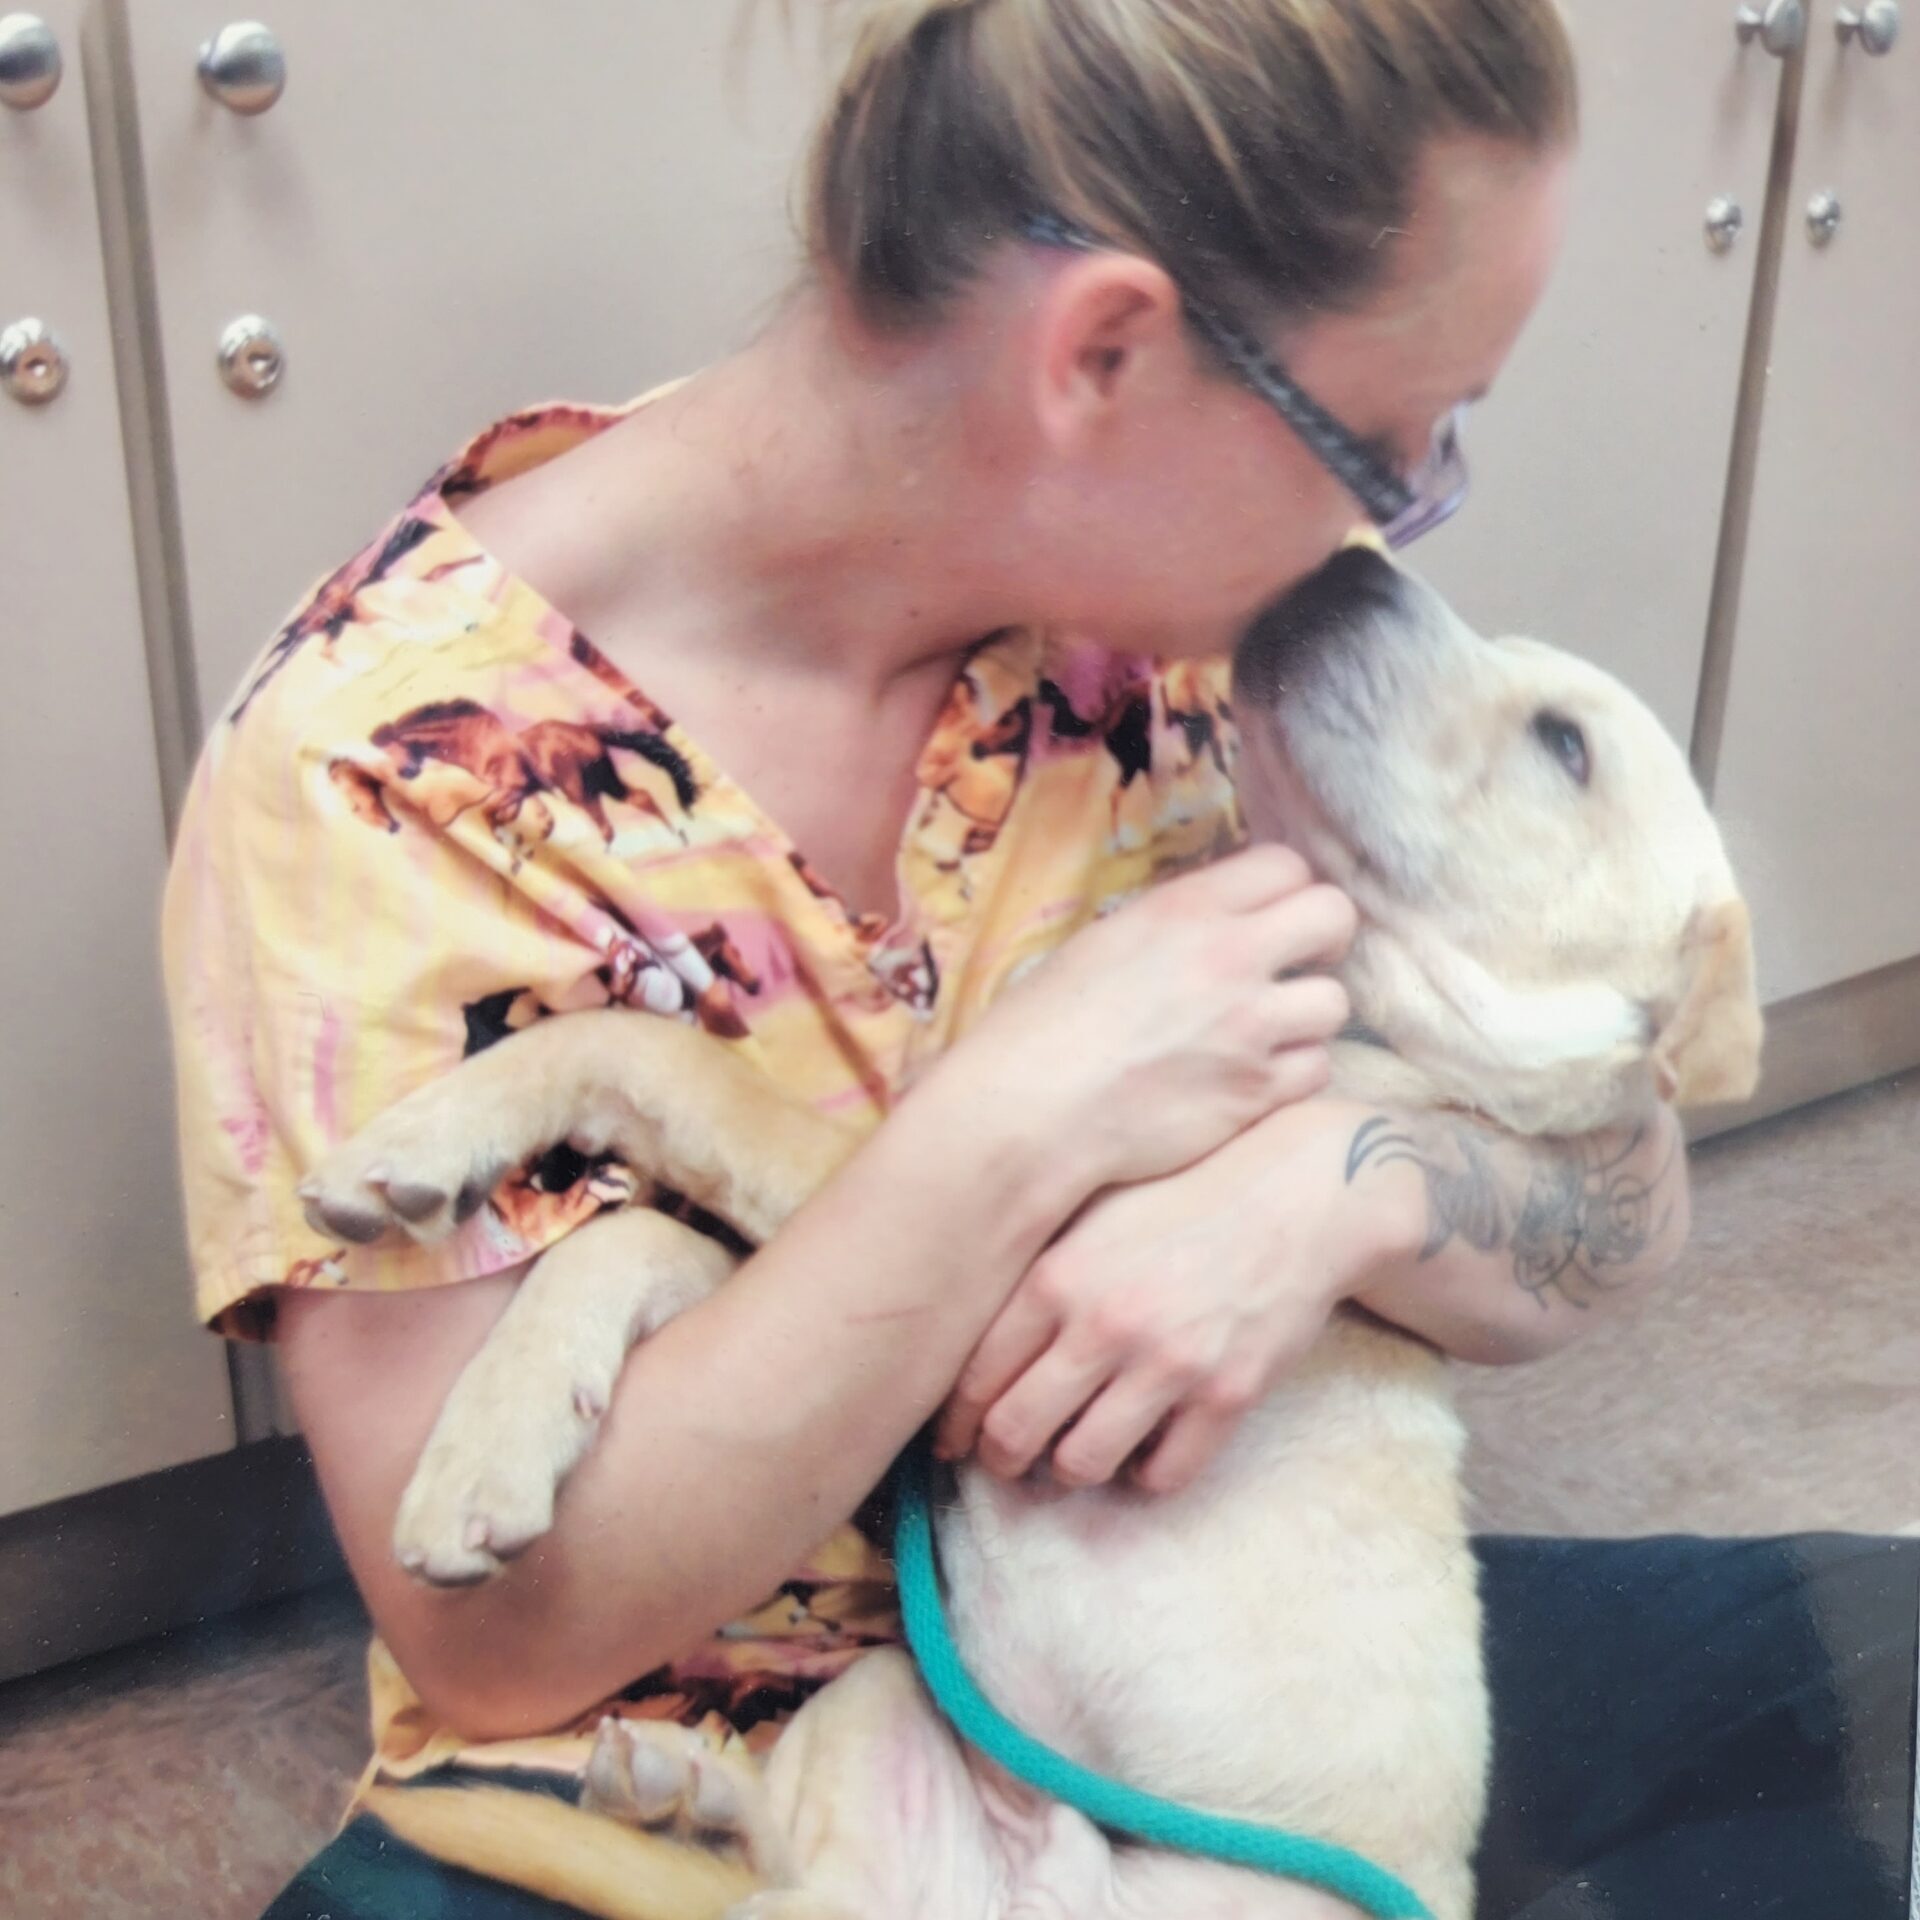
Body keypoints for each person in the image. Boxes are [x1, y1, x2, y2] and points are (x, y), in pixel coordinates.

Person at [160, 1, 1917, 1915]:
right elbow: (504, 1639)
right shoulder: (387, 773)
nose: (1388, 532)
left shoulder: (1197, 631)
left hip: (1192, 1694)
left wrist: (1323, 1199)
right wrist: (1013, 1126)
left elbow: (1625, 1171)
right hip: (688, 1766)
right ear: (1108, 354)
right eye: (1386, 445)